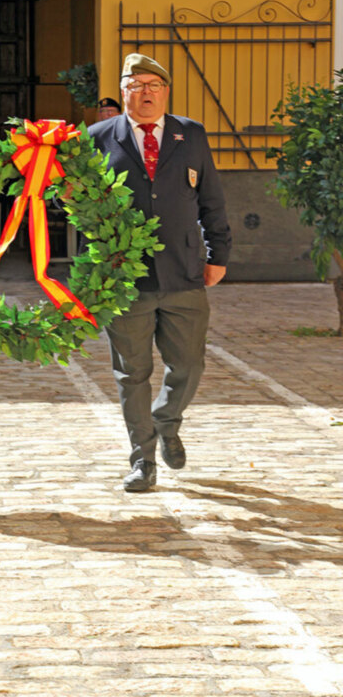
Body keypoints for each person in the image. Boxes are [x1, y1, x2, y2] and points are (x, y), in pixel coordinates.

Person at [88, 53, 232, 492]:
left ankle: (166, 421)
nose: (145, 92)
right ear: (124, 91)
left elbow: (212, 198)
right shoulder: (96, 137)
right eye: (136, 84)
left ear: (166, 92)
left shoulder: (191, 135)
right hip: (123, 277)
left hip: (185, 271)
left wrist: (218, 254)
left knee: (188, 364)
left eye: (154, 84)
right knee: (131, 373)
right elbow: (73, 202)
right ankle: (142, 459)